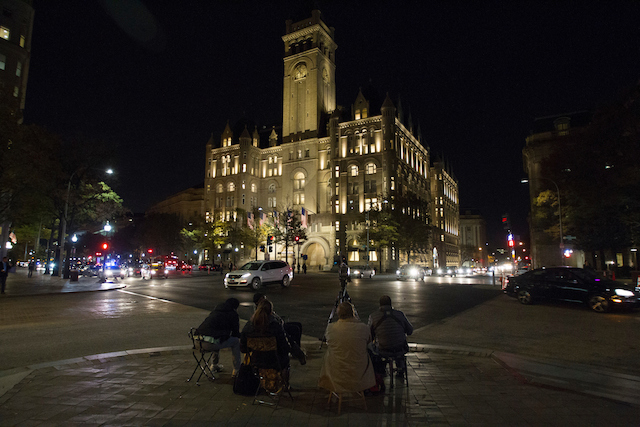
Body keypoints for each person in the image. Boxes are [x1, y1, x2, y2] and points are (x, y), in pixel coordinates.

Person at [318, 302, 375, 393]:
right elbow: (369, 342)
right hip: (359, 374)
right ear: (353, 313)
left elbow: (329, 343)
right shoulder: (363, 328)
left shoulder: (330, 328)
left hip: (336, 375)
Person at [241, 299, 291, 383]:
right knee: (286, 359)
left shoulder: (249, 326)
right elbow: (284, 347)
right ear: (271, 312)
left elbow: (243, 348)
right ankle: (285, 384)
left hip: (256, 361)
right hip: (275, 361)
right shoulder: (275, 326)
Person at [253, 293, 306, 365]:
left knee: (296, 326)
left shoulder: (251, 324)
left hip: (257, 357)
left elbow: (243, 346)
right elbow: (284, 344)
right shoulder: (273, 325)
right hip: (275, 358)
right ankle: (298, 353)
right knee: (290, 333)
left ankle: (298, 352)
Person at [368, 295, 414, 377]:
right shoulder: (400, 314)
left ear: (380, 305)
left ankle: (380, 369)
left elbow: (369, 334)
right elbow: (410, 330)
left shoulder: (373, 316)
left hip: (382, 349)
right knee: (398, 343)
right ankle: (400, 368)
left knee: (372, 348)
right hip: (400, 348)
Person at [195, 297, 242, 376]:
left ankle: (214, 365)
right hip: (209, 344)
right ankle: (237, 370)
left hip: (197, 342)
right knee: (235, 341)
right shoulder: (232, 314)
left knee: (217, 338)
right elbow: (235, 334)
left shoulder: (215, 312)